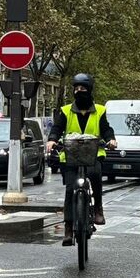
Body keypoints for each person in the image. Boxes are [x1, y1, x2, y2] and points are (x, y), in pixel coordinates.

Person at [46, 73, 117, 246]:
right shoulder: (65, 110)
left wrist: (111, 140)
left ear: (89, 91)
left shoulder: (100, 110)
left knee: (95, 175)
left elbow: (106, 129)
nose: (79, 92)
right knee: (70, 190)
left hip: (93, 154)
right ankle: (69, 228)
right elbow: (57, 128)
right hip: (70, 155)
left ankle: (98, 208)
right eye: (76, 89)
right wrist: (52, 139)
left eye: (82, 89)